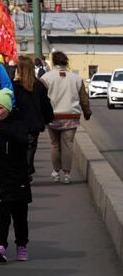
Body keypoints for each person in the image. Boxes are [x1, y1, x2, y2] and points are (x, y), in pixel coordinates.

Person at [0, 89, 32, 262]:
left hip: (18, 179)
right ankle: (0, 246)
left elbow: (23, 140)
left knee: (20, 217)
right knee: (1, 215)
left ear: (8, 108)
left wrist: (4, 130)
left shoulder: (17, 123)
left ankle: (22, 245)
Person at [40, 50, 92, 183]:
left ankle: (55, 172)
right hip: (71, 116)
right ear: (66, 62)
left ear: (53, 61)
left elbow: (41, 98)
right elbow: (84, 99)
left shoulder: (45, 78)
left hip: (52, 116)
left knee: (55, 144)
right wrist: (87, 113)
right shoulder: (76, 78)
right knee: (68, 144)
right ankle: (67, 174)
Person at [14, 55, 53, 179]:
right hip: (34, 122)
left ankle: (24, 170)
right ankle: (28, 169)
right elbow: (45, 104)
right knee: (31, 147)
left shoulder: (15, 86)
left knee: (19, 148)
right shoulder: (38, 85)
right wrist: (48, 119)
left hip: (19, 122)